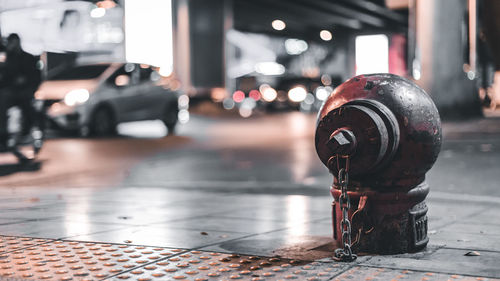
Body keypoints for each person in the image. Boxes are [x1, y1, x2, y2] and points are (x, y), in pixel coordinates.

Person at [0, 33, 41, 146]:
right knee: (2, 100)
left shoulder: (28, 58)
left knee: (27, 106)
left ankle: (28, 131)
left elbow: (35, 77)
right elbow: (4, 77)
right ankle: (3, 133)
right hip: (11, 91)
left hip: (25, 91)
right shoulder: (7, 58)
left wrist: (27, 84)